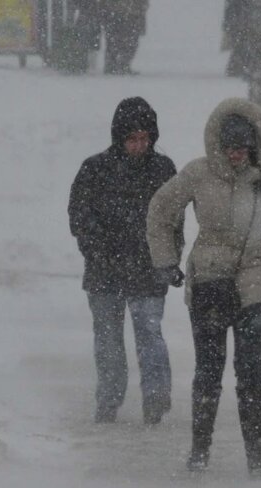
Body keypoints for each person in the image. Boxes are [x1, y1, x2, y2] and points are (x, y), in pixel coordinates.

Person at [146, 98, 261, 477]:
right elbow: (160, 210)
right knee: (209, 369)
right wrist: (165, 260)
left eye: (242, 148)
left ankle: (256, 455)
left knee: (250, 370)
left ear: (253, 146)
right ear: (219, 146)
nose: (236, 156)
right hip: (209, 279)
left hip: (254, 281)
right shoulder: (197, 174)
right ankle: (200, 449)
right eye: (230, 148)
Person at [67, 96, 178, 425]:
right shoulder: (94, 169)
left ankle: (156, 399)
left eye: (145, 138)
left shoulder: (163, 170)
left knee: (150, 334)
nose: (139, 145)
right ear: (120, 138)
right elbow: (80, 216)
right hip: (105, 271)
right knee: (108, 340)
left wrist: (168, 258)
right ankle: (109, 399)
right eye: (133, 139)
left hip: (148, 269)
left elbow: (174, 220)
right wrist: (99, 250)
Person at [100, 0, 149, 75]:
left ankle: (116, 65)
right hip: (124, 13)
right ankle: (119, 65)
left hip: (123, 13)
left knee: (118, 40)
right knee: (124, 40)